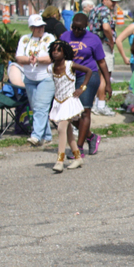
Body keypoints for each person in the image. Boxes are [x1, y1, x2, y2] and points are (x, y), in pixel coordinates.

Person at [60, 12, 110, 157]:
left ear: (86, 27)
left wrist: (107, 83)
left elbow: (101, 62)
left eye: (80, 29)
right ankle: (91, 136)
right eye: (74, 28)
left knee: (84, 111)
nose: (77, 31)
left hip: (88, 76)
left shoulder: (93, 39)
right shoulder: (64, 37)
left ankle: (79, 148)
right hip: (69, 77)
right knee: (67, 114)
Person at [47, 40, 92, 172]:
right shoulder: (50, 68)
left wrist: (82, 88)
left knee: (62, 127)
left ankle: (60, 161)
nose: (55, 52)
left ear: (65, 52)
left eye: (59, 50)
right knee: (68, 131)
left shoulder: (69, 65)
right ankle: (77, 157)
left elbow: (89, 71)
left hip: (69, 100)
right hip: (58, 101)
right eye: (53, 50)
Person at [12, 14, 56, 146]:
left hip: (46, 77)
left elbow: (51, 57)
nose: (40, 29)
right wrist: (28, 60)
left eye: (42, 26)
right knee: (36, 108)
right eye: (37, 27)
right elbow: (18, 58)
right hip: (30, 78)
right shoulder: (25, 39)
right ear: (31, 28)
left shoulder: (49, 38)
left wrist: (37, 60)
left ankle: (36, 136)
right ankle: (47, 136)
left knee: (41, 107)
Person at [88, 0, 119, 115]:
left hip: (93, 44)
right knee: (104, 75)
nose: (114, 4)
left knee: (96, 74)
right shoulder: (105, 10)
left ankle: (94, 103)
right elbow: (106, 27)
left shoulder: (93, 10)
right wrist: (111, 40)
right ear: (104, 0)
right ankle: (101, 104)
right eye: (112, 1)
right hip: (103, 44)